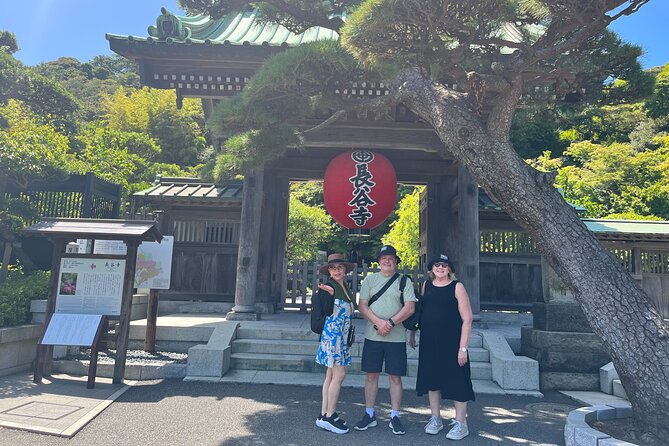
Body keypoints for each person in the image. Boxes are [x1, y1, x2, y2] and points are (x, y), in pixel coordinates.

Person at [409, 254, 475, 440]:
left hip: (452, 342)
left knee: (457, 380)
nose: (440, 268)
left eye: (444, 265)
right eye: (437, 265)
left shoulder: (457, 287)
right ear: (432, 269)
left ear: (450, 269)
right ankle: (435, 418)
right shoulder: (426, 286)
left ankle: (461, 423)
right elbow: (420, 312)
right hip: (430, 341)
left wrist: (463, 348)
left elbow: (467, 319)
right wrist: (412, 333)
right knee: (432, 380)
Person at [354, 245, 416, 435]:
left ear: (396, 261)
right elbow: (362, 306)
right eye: (383, 258)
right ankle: (369, 413)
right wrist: (379, 323)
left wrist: (389, 323)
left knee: (395, 377)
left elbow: (410, 308)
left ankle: (395, 415)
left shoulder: (405, 281)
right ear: (378, 261)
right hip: (373, 335)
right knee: (371, 375)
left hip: (396, 337)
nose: (387, 261)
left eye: (391, 258)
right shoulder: (370, 280)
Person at [314, 253, 357, 434]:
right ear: (329, 271)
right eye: (333, 268)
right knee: (339, 375)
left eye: (340, 267)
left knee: (331, 375)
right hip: (333, 337)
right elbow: (325, 310)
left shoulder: (344, 287)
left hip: (341, 336)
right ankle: (330, 416)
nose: (337, 270)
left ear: (345, 270)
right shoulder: (328, 288)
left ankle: (324, 414)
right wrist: (329, 295)